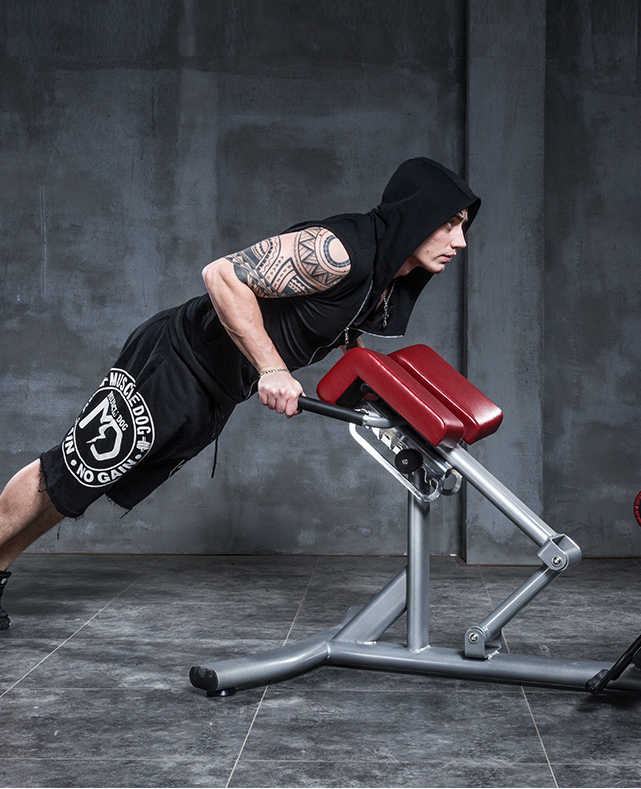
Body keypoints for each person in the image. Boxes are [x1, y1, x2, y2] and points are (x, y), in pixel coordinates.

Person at [0, 156, 480, 629]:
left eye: (462, 226)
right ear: (415, 214)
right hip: (176, 361)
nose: (459, 241)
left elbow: (334, 319)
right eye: (449, 224)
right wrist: (272, 368)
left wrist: (367, 380)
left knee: (84, 485)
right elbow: (222, 275)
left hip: (216, 389)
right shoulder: (339, 250)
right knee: (69, 470)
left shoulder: (385, 277)